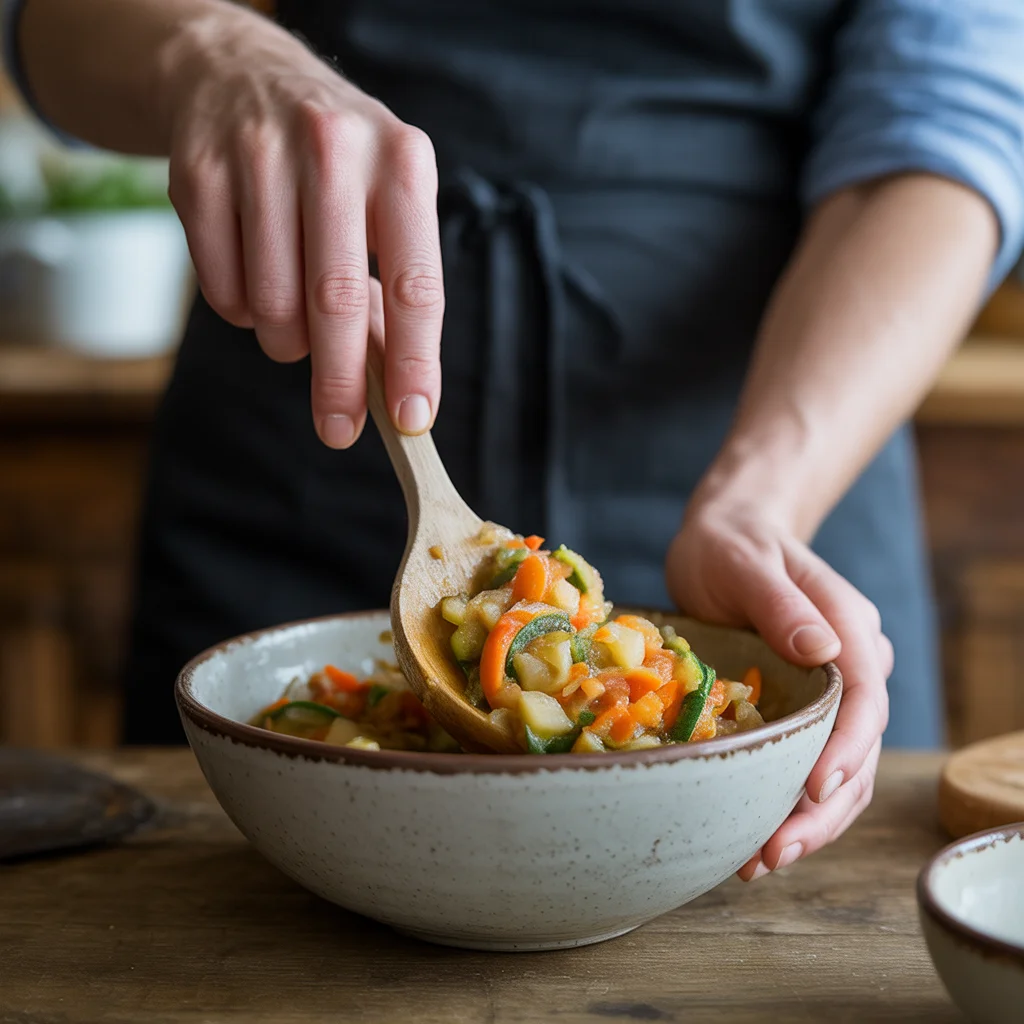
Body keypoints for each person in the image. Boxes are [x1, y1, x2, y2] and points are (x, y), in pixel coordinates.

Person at [5, 0, 1023, 881]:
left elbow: (949, 116)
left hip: (788, 438)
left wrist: (762, 500)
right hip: (298, 436)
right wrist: (206, 51)